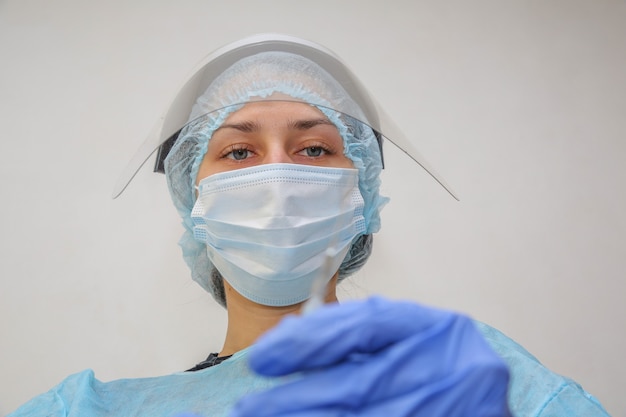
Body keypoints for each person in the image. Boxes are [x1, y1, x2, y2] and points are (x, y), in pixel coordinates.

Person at [8, 34, 609, 417]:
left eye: (315, 150)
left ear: (362, 193)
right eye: (239, 153)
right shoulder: (87, 410)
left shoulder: (473, 380)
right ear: (194, 198)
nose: (278, 179)